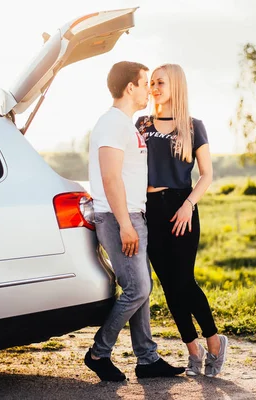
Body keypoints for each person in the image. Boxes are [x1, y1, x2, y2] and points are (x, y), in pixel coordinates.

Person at [85, 61, 185, 382]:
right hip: (119, 217)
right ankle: (99, 352)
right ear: (130, 87)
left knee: (140, 287)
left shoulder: (126, 124)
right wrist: (126, 224)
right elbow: (111, 177)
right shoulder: (113, 123)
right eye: (144, 84)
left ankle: (147, 359)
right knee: (138, 288)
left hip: (130, 215)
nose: (149, 90)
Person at [136, 64, 228, 378]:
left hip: (181, 207)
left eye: (160, 82)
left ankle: (214, 343)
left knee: (183, 282)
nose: (153, 87)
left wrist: (189, 204)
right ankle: (193, 350)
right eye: (150, 83)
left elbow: (207, 174)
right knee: (168, 286)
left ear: (175, 85)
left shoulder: (193, 126)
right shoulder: (142, 123)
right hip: (149, 209)